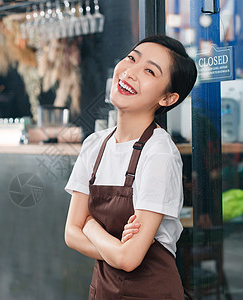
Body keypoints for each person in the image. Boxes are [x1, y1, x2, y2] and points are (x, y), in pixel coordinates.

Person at [64, 35, 197, 299]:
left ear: (168, 98)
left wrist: (90, 226)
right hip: (103, 291)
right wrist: (114, 247)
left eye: (149, 71)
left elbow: (129, 259)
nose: (130, 72)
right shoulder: (95, 145)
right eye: (131, 58)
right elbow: (70, 234)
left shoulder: (159, 152)